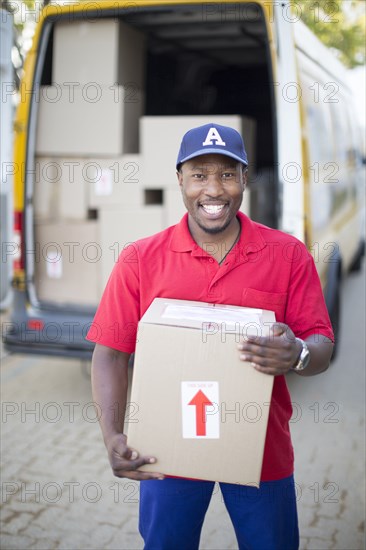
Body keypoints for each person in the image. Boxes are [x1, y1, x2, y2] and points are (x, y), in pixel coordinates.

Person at [87, 123, 334, 550]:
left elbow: (322, 345)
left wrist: (296, 355)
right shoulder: (140, 260)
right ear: (180, 179)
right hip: (167, 448)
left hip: (262, 448)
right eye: (199, 174)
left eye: (227, 174)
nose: (213, 189)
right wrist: (113, 436)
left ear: (244, 179)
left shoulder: (287, 254)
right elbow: (110, 353)